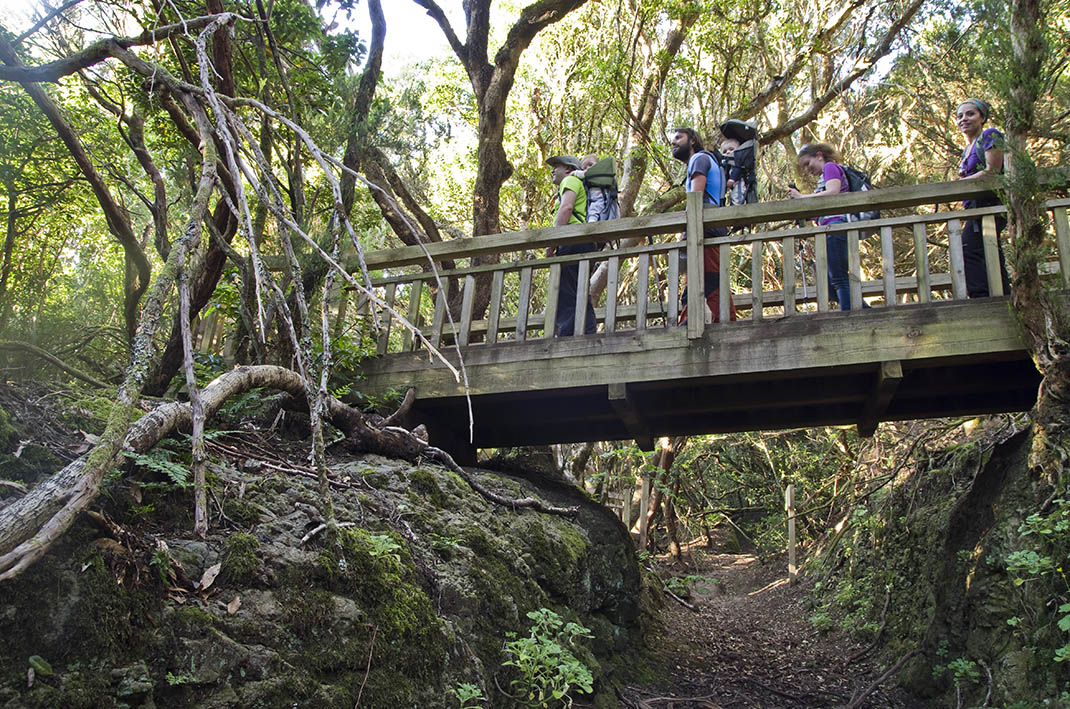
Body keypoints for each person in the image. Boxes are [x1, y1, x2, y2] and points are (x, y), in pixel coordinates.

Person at [670, 127, 736, 324]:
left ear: (692, 141)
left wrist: (688, 230)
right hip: (710, 227)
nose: (674, 142)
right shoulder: (703, 160)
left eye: (678, 138)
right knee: (709, 276)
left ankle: (690, 321)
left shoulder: (699, 159)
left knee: (705, 277)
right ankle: (727, 320)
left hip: (704, 227)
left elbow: (696, 198)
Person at [787, 143, 858, 311]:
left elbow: (833, 192)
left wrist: (802, 197)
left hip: (836, 226)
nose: (806, 170)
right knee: (829, 284)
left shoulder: (830, 167)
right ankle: (865, 311)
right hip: (829, 228)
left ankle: (850, 317)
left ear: (819, 155)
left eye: (807, 163)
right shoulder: (824, 176)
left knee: (839, 279)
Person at [956, 98, 1009, 297]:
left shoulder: (990, 135)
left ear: (982, 117)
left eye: (970, 114)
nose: (964, 119)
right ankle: (1004, 296)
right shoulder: (967, 149)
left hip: (990, 206)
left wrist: (960, 184)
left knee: (969, 249)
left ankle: (982, 298)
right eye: (960, 116)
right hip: (974, 209)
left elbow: (992, 171)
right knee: (990, 252)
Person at [547, 154, 598, 336]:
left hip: (572, 240)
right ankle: (588, 331)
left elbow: (566, 208)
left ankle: (567, 335)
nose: (553, 170)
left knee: (566, 291)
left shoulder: (570, 180)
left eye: (557, 166)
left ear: (568, 169)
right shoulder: (580, 183)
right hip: (584, 242)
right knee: (579, 288)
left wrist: (552, 243)